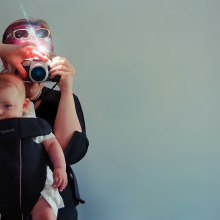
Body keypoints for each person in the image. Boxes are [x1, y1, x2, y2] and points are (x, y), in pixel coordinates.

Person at [0, 19, 89, 220]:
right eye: (24, 64)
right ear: (6, 61)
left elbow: (69, 153)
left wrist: (66, 90)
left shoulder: (62, 99)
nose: (32, 73)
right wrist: (2, 50)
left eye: (38, 63)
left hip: (54, 208)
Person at [0, 72, 67, 219]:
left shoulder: (35, 125)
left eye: (7, 105)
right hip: (4, 191)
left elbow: (52, 145)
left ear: (24, 105)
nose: (0, 112)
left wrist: (60, 167)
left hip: (38, 187)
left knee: (46, 214)